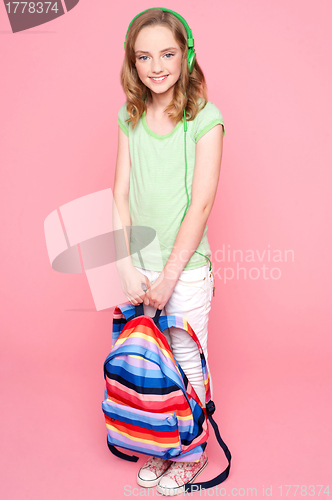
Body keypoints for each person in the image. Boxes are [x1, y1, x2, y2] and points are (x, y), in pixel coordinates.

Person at [112, 7, 225, 497]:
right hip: (139, 266)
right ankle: (161, 445)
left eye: (167, 53)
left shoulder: (205, 117)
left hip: (185, 269)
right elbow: (118, 194)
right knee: (150, 366)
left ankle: (193, 451)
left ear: (187, 54)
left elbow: (200, 206)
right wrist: (126, 265)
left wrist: (167, 279)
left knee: (185, 358)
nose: (156, 66)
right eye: (144, 56)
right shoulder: (129, 114)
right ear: (132, 63)